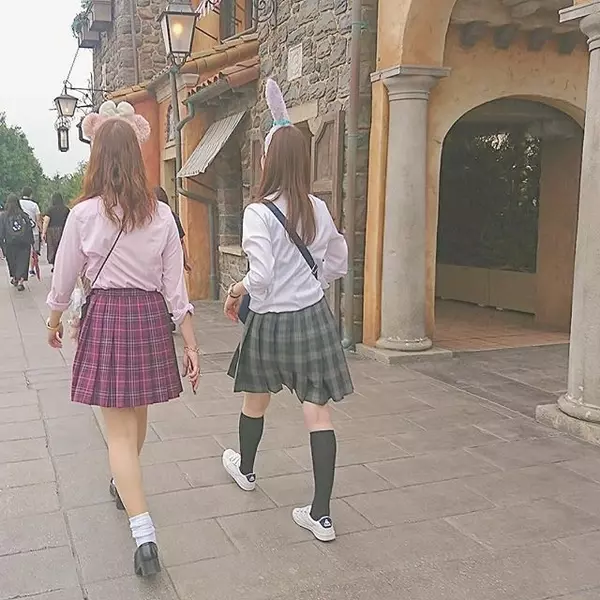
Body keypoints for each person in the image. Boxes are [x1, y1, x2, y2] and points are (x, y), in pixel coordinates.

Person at [45, 101, 200, 577]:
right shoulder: (162, 215)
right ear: (135, 156)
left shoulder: (83, 215)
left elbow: (64, 277)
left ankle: (144, 535)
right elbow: (176, 288)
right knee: (136, 418)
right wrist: (191, 344)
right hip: (150, 318)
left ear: (97, 158)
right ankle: (125, 482)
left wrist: (53, 322)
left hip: (108, 316)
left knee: (117, 431)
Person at [222, 79, 353, 543]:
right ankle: (321, 515)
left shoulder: (257, 213)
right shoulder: (318, 208)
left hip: (269, 323)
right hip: (312, 319)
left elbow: (260, 278)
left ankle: (247, 469)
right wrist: (314, 283)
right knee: (318, 414)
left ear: (270, 161)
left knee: (255, 400)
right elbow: (337, 260)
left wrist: (236, 288)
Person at [0, 193, 34, 291]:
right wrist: (32, 242)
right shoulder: (24, 215)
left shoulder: (3, 216)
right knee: (23, 261)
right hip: (24, 243)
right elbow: (29, 229)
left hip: (10, 243)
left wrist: (2, 244)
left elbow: (1, 231)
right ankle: (21, 281)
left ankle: (15, 277)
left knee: (12, 262)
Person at [42, 193, 70, 271]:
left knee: (52, 248)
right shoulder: (66, 209)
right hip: (63, 230)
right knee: (62, 247)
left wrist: (43, 232)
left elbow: (46, 221)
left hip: (51, 231)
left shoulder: (50, 209)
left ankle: (55, 264)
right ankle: (61, 264)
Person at [20, 187, 42, 274]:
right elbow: (38, 219)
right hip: (34, 231)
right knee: (34, 251)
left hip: (21, 231)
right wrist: (41, 230)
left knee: (22, 250)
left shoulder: (18, 203)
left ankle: (22, 268)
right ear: (31, 195)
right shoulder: (34, 205)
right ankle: (31, 269)